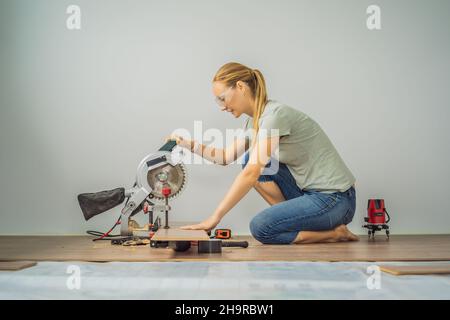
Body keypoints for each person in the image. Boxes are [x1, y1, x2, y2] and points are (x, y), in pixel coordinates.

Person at [169, 62, 359, 244]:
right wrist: (187, 144)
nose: (222, 106)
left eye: (222, 98)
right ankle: (290, 219)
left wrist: (214, 218)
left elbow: (251, 174)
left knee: (261, 227)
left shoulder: (275, 115)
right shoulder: (254, 121)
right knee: (249, 160)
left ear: (240, 86)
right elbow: (225, 157)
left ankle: (334, 233)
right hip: (308, 194)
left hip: (335, 200)